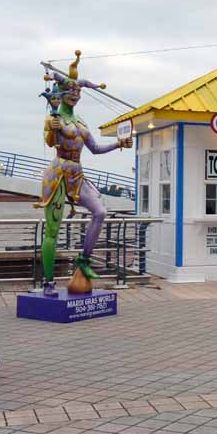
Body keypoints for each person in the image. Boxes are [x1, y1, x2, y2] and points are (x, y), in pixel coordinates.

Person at [38, 51, 132, 296]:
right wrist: (53, 129)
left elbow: (95, 149)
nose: (76, 93)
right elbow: (50, 141)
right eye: (71, 90)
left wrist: (119, 144)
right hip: (58, 173)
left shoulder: (80, 122)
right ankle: (48, 282)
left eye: (78, 90)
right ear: (61, 92)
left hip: (77, 174)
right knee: (52, 230)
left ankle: (84, 259)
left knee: (100, 211)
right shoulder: (54, 118)